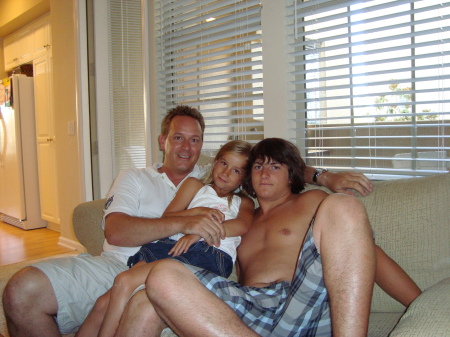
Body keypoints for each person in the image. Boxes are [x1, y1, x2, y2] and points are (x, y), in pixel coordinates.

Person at [2, 104, 373, 337]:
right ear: (162, 140)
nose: (185, 146)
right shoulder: (136, 178)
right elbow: (115, 230)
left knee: (150, 288)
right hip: (120, 263)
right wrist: (187, 222)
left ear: (203, 147)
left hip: (183, 270)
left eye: (195, 140)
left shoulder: (218, 181)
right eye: (177, 137)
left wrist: (321, 174)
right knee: (21, 290)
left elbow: (267, 165)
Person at [115, 138, 419, 337]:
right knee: (159, 281)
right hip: (247, 312)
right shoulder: (241, 218)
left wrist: (419, 304)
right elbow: (220, 169)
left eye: (275, 167)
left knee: (343, 205)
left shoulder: (311, 203)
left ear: (291, 175)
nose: (264, 173)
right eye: (258, 166)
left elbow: (365, 254)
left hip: (300, 303)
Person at [76, 140, 254, 337]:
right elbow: (168, 217)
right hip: (173, 247)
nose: (226, 173)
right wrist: (197, 212)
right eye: (224, 163)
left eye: (237, 171)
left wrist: (197, 234)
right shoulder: (194, 185)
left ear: (244, 179)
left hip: (211, 254)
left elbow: (242, 226)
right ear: (216, 162)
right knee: (104, 302)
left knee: (124, 281)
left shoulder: (242, 201)